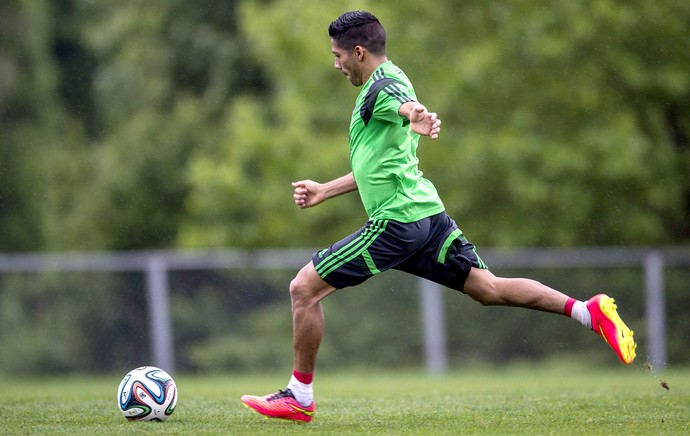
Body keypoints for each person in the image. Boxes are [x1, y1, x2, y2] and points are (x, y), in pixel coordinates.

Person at [241, 10, 636, 423]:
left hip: (396, 224)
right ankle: (587, 311)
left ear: (359, 52)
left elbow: (402, 105)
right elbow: (381, 162)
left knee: (304, 288)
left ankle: (299, 395)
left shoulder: (381, 88)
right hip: (427, 217)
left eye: (338, 55)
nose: (336, 64)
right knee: (488, 288)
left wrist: (416, 114)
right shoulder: (396, 74)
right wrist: (326, 189)